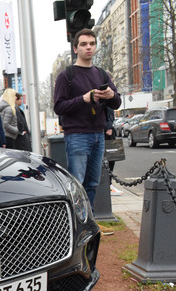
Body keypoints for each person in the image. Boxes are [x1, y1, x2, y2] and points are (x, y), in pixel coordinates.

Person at [53, 28, 121, 213]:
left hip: (98, 136)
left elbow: (117, 103)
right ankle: (77, 224)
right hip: (77, 136)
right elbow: (59, 107)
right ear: (75, 48)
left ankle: (88, 220)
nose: (88, 48)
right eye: (83, 44)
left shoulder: (102, 74)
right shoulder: (66, 76)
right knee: (77, 184)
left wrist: (110, 94)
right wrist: (83, 99)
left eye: (92, 44)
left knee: (92, 182)